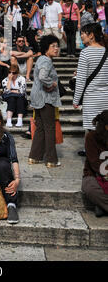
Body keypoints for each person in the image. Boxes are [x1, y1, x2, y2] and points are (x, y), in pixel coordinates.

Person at [73, 23, 108, 155]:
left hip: (92, 98)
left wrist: (76, 100)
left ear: (91, 35)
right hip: (105, 98)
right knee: (104, 127)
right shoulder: (106, 51)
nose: (81, 35)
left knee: (92, 128)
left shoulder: (85, 53)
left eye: (83, 33)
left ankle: (92, 154)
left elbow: (81, 80)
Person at [28, 35, 62, 167]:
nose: (56, 48)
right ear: (46, 48)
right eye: (53, 46)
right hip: (45, 99)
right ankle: (51, 159)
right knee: (49, 128)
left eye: (57, 46)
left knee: (41, 128)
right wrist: (51, 84)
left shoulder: (41, 59)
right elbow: (43, 76)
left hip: (38, 98)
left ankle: (35, 156)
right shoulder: (46, 61)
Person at [82, 110, 108, 218]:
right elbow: (94, 162)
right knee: (90, 188)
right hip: (94, 174)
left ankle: (102, 206)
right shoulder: (91, 137)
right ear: (106, 127)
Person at [2, 64, 27, 128]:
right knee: (11, 98)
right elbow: (7, 91)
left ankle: (19, 120)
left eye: (14, 72)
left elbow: (22, 91)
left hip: (20, 98)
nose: (12, 74)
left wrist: (12, 90)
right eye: (10, 72)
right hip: (10, 99)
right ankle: (9, 120)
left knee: (20, 98)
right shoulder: (5, 80)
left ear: (17, 73)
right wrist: (10, 80)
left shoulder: (22, 79)